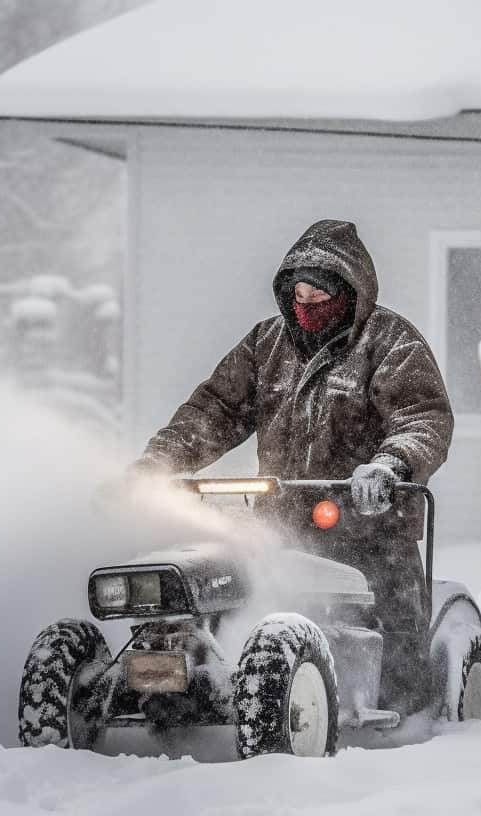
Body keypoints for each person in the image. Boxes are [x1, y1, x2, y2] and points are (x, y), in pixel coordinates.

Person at [122, 218, 453, 711]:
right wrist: (157, 464)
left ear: (348, 291)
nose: (307, 307)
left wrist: (389, 466)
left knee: (393, 618)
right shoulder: (266, 345)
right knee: (220, 591)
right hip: (281, 521)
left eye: (318, 297)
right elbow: (214, 411)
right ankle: (206, 688)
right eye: (298, 295)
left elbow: (422, 417)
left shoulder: (390, 342)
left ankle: (406, 717)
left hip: (370, 525)